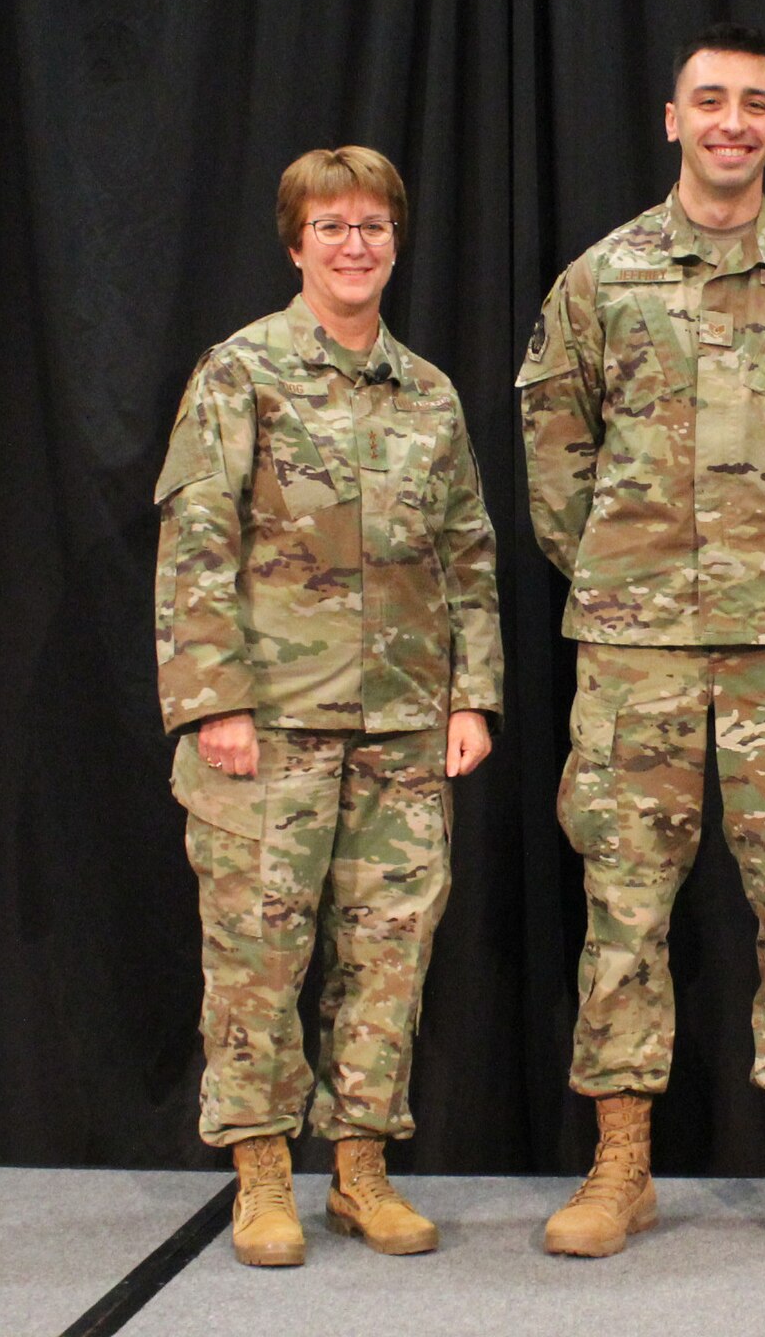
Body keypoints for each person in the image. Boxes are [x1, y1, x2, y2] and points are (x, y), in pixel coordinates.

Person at [517, 22, 765, 1261]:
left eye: (756, 104)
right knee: (622, 905)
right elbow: (554, 453)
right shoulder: (600, 278)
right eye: (710, 101)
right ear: (671, 118)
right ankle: (619, 1164)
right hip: (635, 650)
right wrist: (629, 576)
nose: (732, 121)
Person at [153, 145, 503, 1267]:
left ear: (397, 241)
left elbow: (468, 556)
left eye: (373, 227)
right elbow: (196, 540)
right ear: (295, 241)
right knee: (257, 952)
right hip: (272, 721)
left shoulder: (429, 392)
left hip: (403, 721)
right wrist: (215, 700)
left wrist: (472, 696)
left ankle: (360, 1167)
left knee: (389, 951)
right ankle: (262, 1173)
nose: (355, 245)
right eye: (333, 226)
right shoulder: (241, 372)